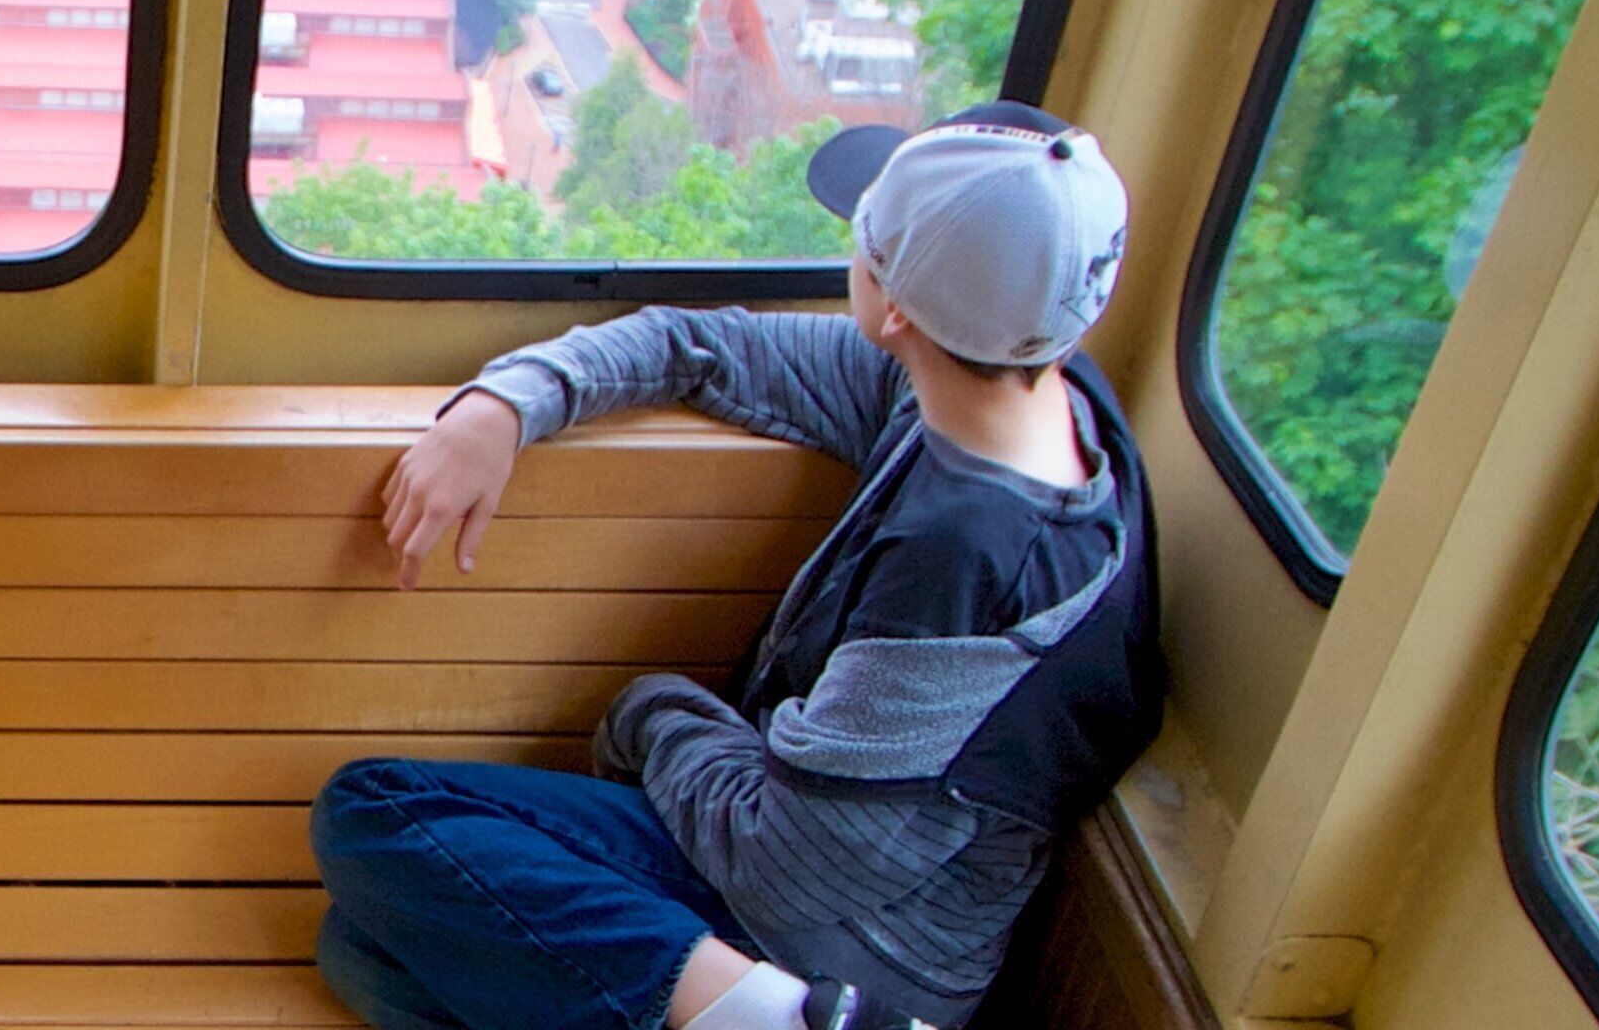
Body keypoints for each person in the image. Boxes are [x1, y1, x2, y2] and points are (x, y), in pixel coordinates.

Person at [310, 102, 1159, 1030]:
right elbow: (699, 346)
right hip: (805, 865)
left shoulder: (961, 564)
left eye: (863, 237)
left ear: (895, 306)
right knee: (364, 949)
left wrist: (649, 710)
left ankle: (791, 1023)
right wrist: (507, 407)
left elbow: (788, 868)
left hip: (846, 943)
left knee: (372, 814)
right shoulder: (1015, 395)